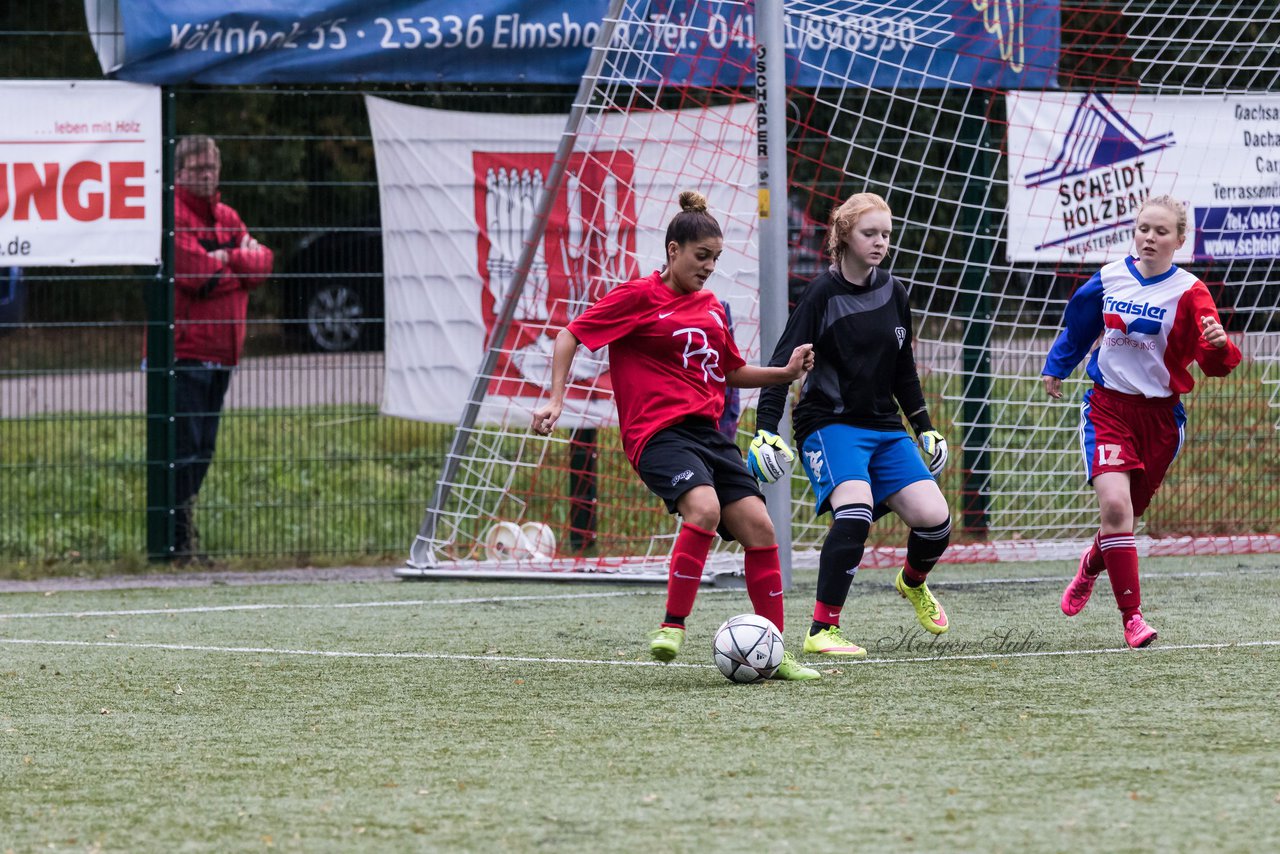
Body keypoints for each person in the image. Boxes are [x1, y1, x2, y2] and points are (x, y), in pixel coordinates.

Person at [532, 190, 821, 681]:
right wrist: (556, 398)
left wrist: (786, 372)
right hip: (657, 434)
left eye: (716, 258)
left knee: (760, 528)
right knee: (704, 509)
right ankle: (672, 626)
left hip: (709, 436)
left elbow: (731, 371)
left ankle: (775, 651)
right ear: (673, 250)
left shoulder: (711, 307)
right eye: (700, 256)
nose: (709, 266)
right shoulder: (639, 296)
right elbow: (569, 335)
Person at [753, 192, 953, 660]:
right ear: (844, 236)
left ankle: (912, 582)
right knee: (857, 513)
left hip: (884, 426)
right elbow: (784, 363)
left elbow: (904, 370)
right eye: (870, 233)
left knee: (936, 521)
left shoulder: (895, 291)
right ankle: (823, 629)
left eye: (886, 234)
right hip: (829, 424)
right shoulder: (821, 295)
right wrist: (766, 429)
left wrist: (924, 427)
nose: (880, 242)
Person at [1042, 194, 1241, 648]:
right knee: (1115, 508)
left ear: (1180, 239)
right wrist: (1058, 364)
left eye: (1161, 231)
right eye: (1143, 229)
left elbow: (1217, 363)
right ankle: (1132, 618)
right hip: (1108, 408)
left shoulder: (1191, 292)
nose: (1150, 238)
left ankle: (1091, 564)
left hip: (1161, 420)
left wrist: (1217, 342)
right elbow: (1080, 326)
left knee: (1126, 518)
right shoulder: (1111, 276)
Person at [171, 135, 274, 562]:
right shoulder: (170, 215)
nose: (206, 175)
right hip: (185, 351)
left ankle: (184, 535)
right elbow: (197, 276)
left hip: (224, 352)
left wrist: (225, 256)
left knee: (205, 448)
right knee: (182, 447)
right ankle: (172, 540)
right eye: (197, 170)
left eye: (211, 168)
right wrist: (236, 258)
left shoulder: (227, 216)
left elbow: (263, 263)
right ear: (179, 173)